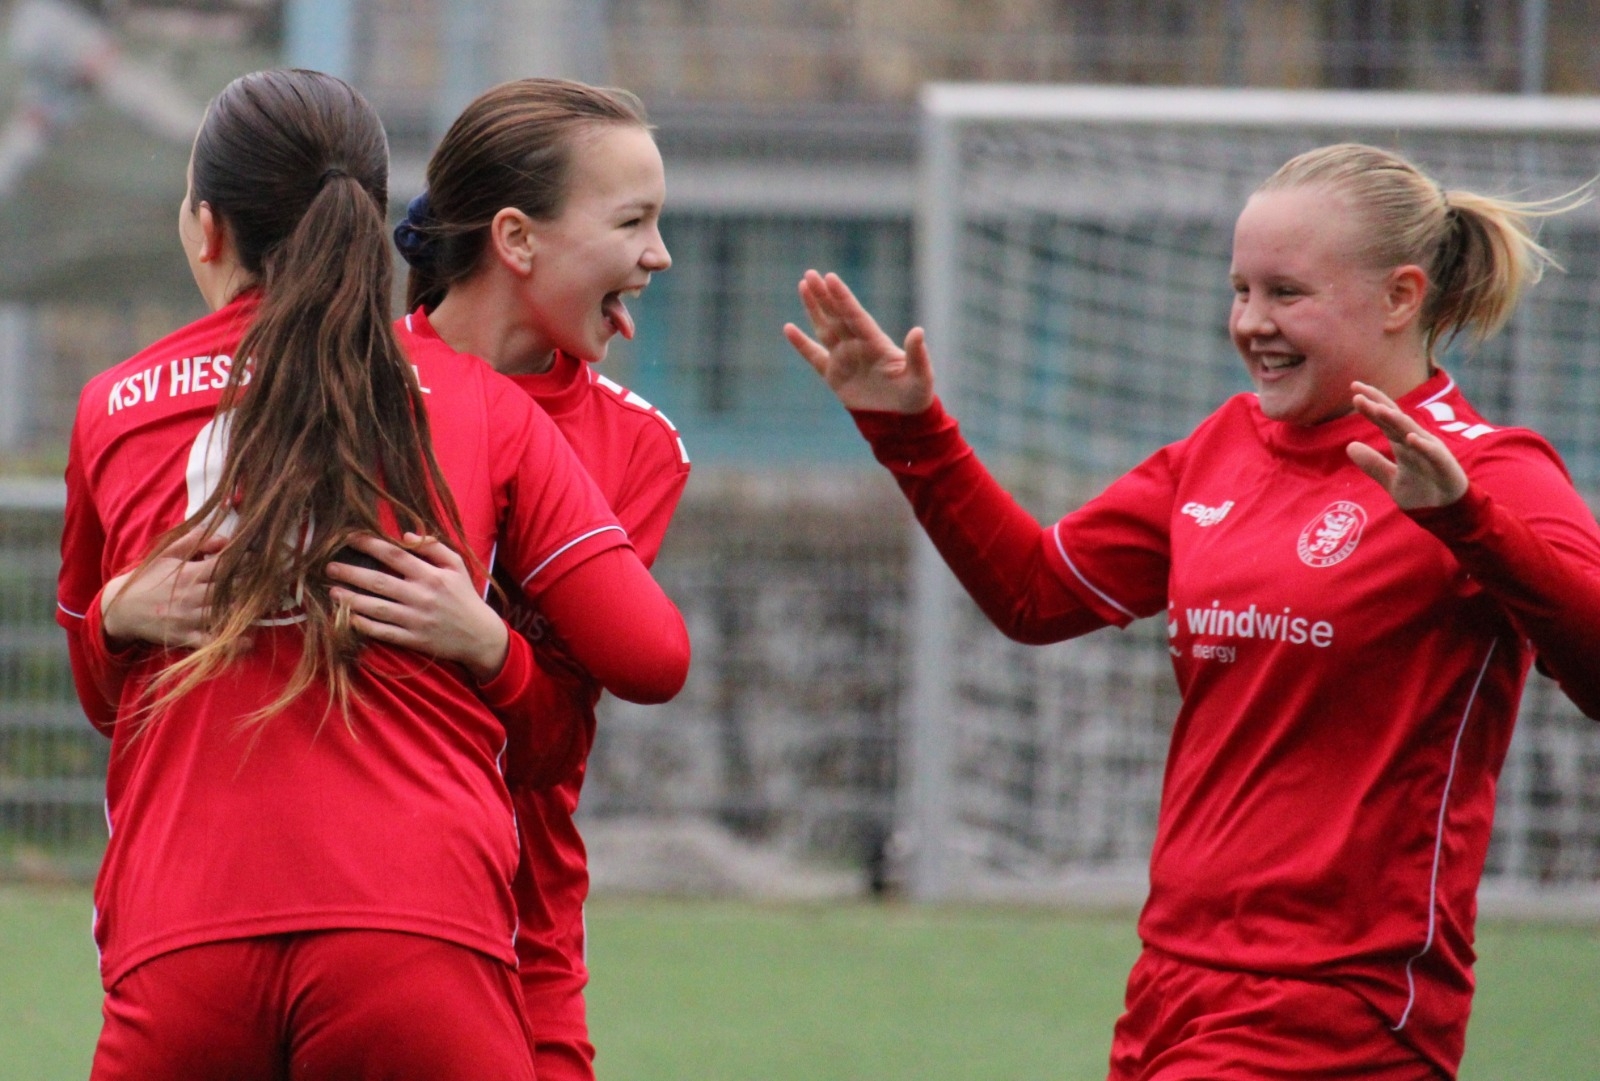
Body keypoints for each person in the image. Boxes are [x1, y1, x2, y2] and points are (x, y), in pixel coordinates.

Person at [783, 143, 1600, 1080]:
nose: (1251, 323)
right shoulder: (1221, 448)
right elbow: (1035, 592)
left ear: (1400, 297)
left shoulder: (1487, 471)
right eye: (1240, 290)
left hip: (1343, 1001)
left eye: (1286, 293)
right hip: (1174, 981)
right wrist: (910, 429)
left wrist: (1466, 521)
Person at [57, 69, 688, 1081]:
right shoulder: (473, 402)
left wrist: (113, 617)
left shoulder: (116, 403)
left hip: (199, 926)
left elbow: (101, 694)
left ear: (207, 230)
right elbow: (651, 659)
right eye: (633, 220)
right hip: (426, 920)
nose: (657, 252)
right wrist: (495, 650)